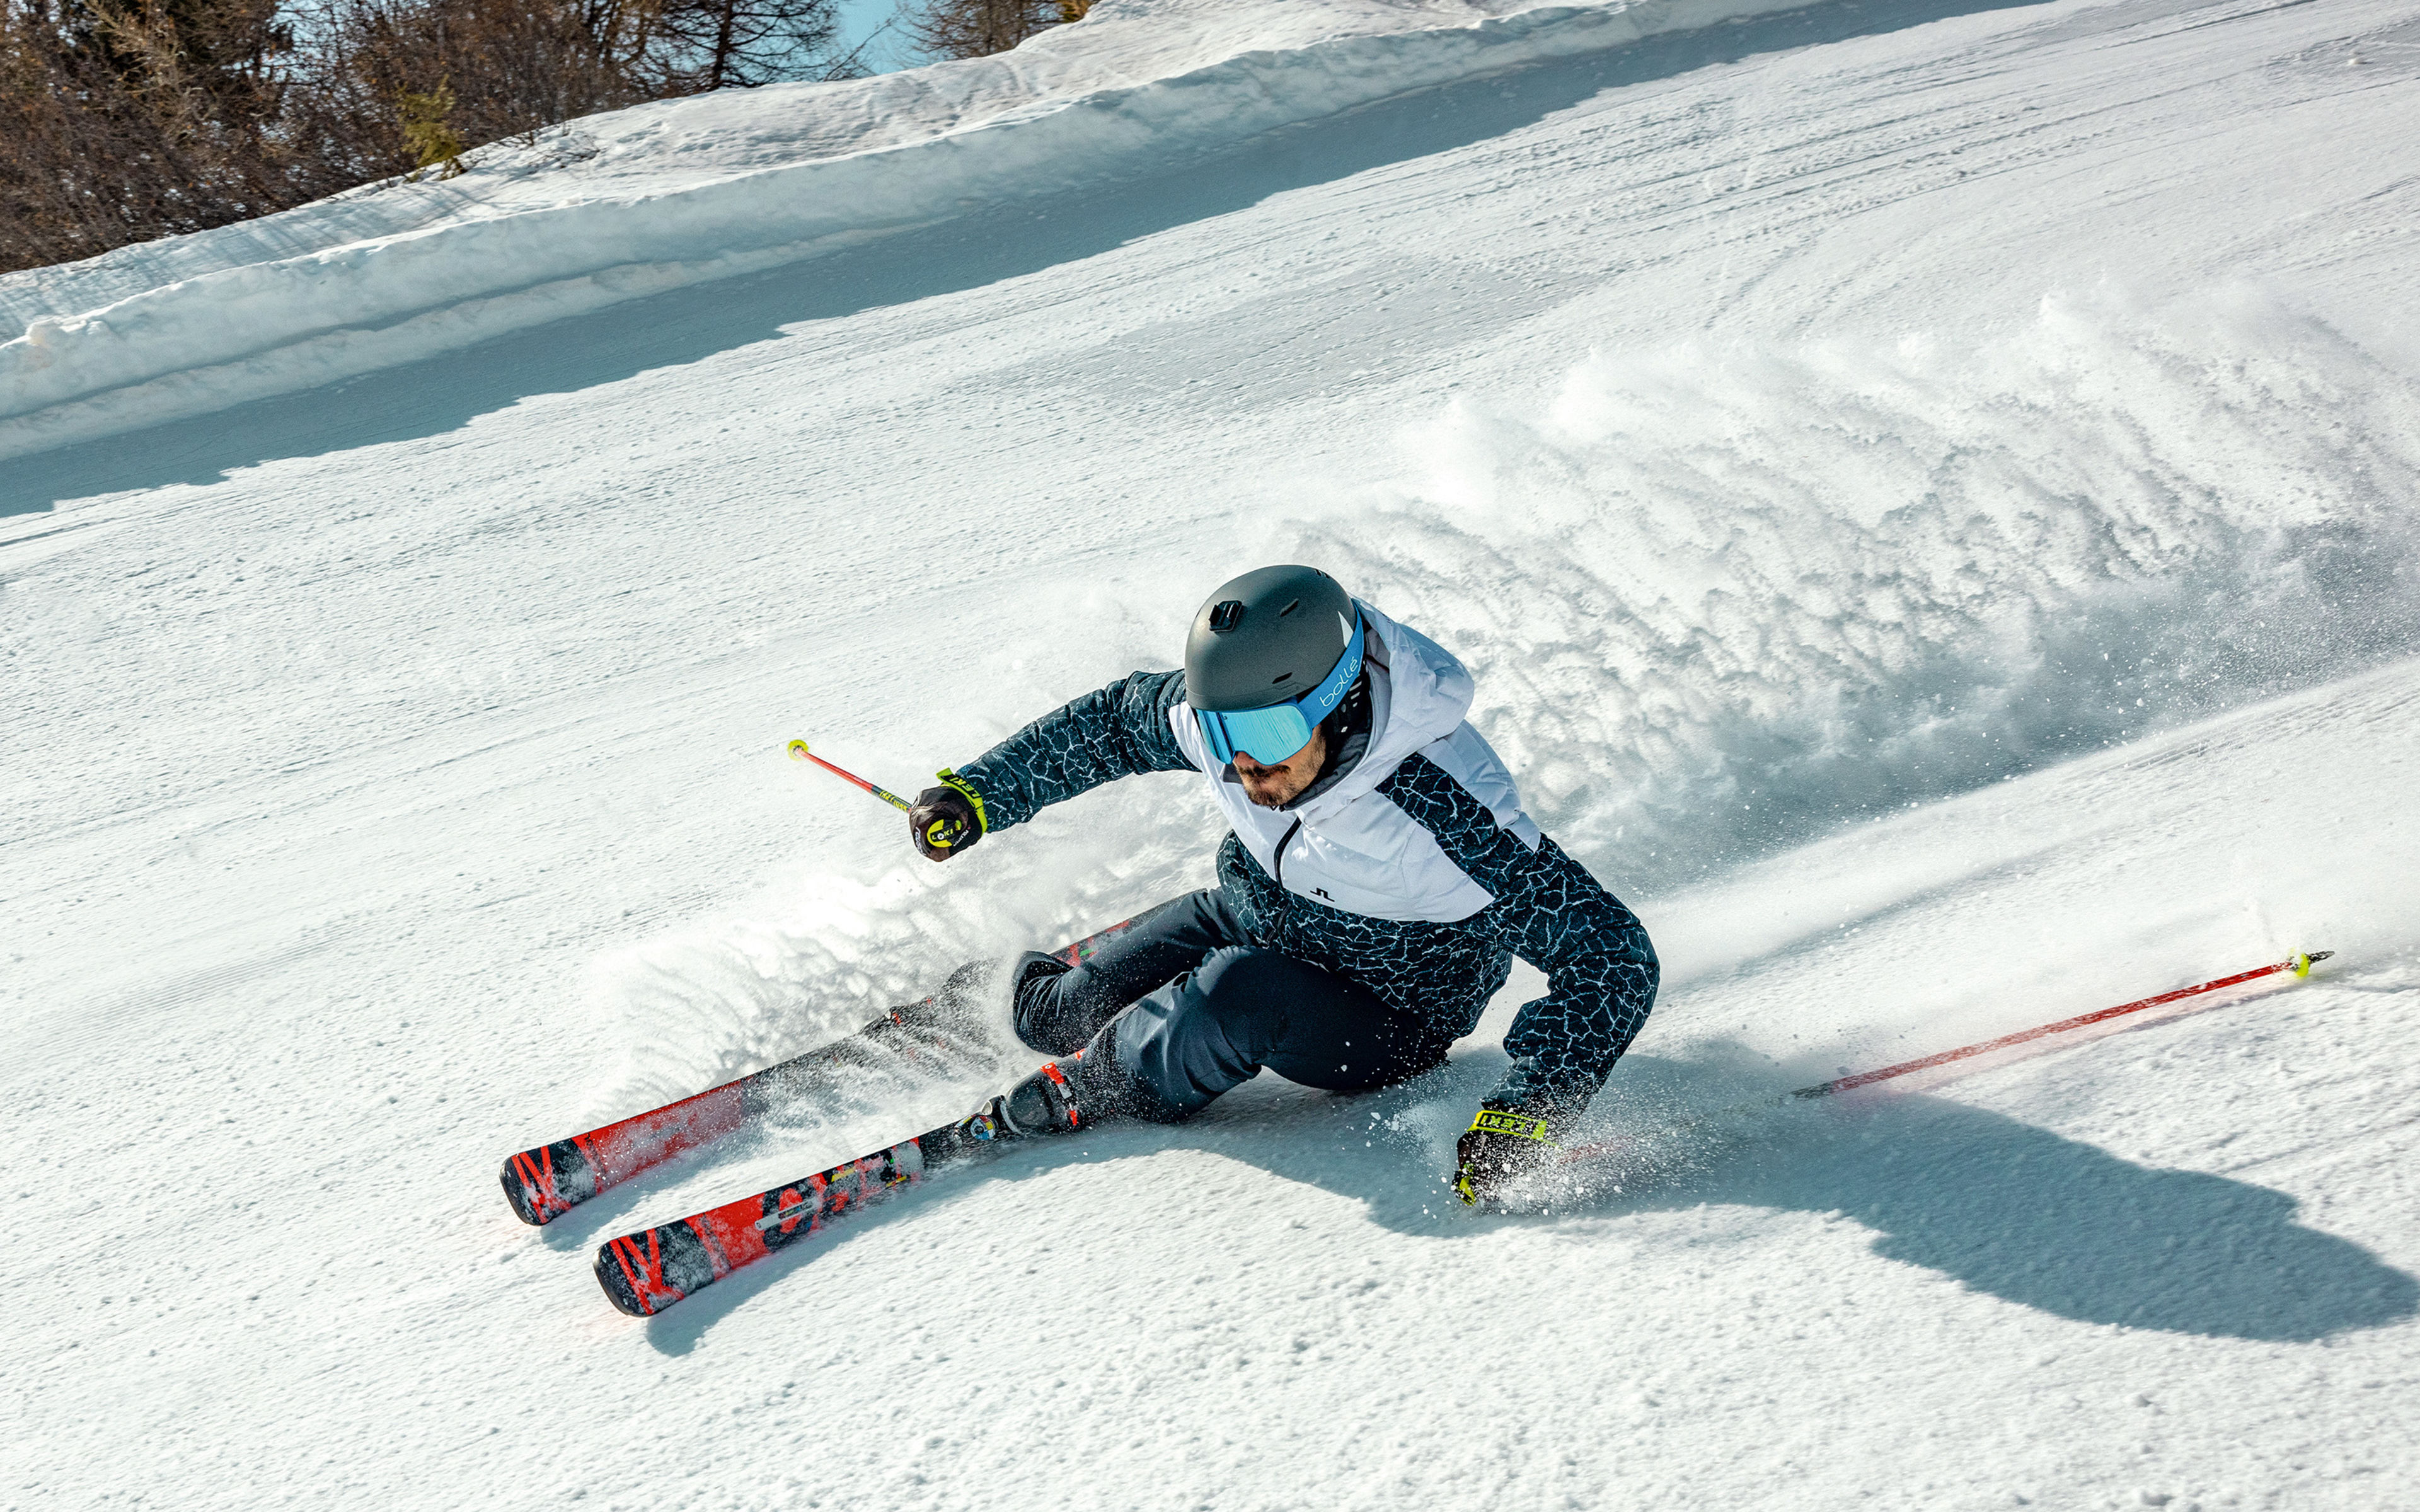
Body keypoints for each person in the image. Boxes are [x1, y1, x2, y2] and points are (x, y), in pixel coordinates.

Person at [906, 564, 1659, 1206]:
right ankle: (1021, 1004)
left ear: (1336, 701)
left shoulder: (1450, 813)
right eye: (1222, 738)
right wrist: (979, 794)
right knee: (1061, 1016)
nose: (1244, 768)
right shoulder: (1240, 722)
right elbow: (1107, 726)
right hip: (1255, 911)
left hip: (1386, 1016)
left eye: (1265, 738)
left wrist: (1530, 1111)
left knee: (1238, 994)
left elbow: (1613, 959)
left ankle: (1099, 1085)